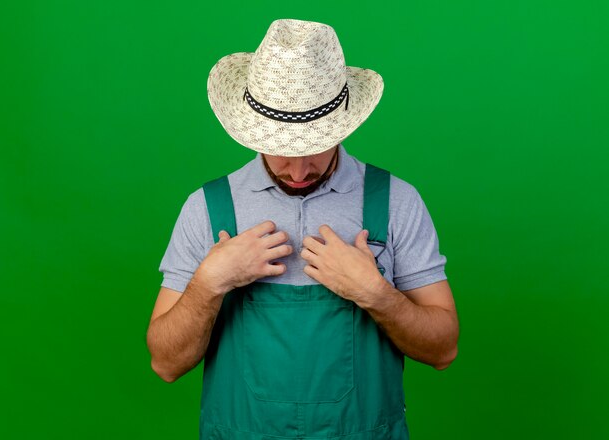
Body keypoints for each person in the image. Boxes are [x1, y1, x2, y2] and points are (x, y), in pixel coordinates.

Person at [146, 18, 459, 440]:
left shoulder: (396, 202)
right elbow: (166, 364)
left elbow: (444, 350)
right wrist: (209, 282)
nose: (297, 170)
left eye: (313, 147)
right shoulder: (207, 208)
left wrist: (376, 294)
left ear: (341, 125)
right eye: (280, 149)